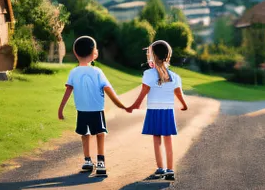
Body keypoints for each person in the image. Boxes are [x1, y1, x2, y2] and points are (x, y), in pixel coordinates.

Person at [58, 36, 129, 175]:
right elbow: (109, 90)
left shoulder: (74, 72)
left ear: (75, 53)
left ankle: (88, 160)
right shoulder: (97, 72)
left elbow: (67, 91)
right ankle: (100, 162)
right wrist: (121, 105)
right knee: (100, 134)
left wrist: (60, 110)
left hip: (82, 111)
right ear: (94, 53)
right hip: (96, 110)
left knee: (85, 135)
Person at [127, 40, 188, 181]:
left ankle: (161, 169)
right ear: (168, 56)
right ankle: (170, 171)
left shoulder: (148, 74)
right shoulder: (175, 77)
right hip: (167, 112)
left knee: (157, 139)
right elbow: (179, 93)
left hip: (154, 110)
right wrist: (184, 105)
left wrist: (135, 105)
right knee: (168, 140)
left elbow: (144, 92)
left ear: (152, 56)